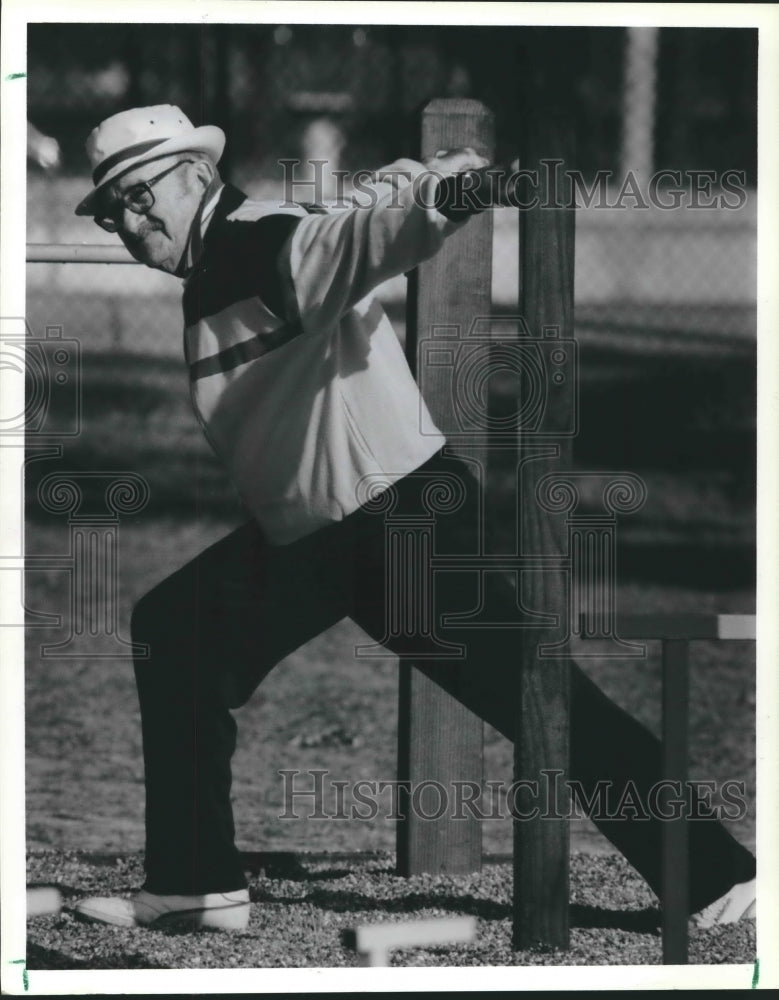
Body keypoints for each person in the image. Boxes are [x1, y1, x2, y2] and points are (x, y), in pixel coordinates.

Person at [71, 105, 756, 932]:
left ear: (197, 175)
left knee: (536, 696)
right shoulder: (235, 246)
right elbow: (369, 204)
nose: (132, 221)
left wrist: (455, 194)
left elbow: (363, 236)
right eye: (114, 210)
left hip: (394, 526)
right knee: (177, 630)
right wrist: (436, 172)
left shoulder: (257, 246)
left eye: (143, 194)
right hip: (323, 532)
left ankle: (721, 876)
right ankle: (194, 882)